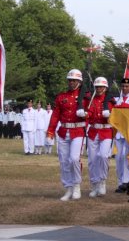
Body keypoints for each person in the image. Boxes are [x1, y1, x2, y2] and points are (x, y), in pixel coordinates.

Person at [46, 69, 87, 201]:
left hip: (78, 131)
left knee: (74, 159)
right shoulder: (61, 96)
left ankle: (76, 185)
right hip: (63, 131)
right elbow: (56, 115)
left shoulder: (86, 97)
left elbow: (91, 112)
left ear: (80, 82)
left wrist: (85, 114)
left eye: (74, 80)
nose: (72, 82)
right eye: (70, 80)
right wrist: (50, 131)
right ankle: (68, 187)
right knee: (64, 161)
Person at [86, 77, 115, 197]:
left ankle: (102, 181)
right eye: (97, 87)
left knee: (103, 156)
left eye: (101, 87)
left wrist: (110, 115)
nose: (99, 89)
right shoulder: (91, 99)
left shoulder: (111, 101)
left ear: (105, 88)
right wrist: (86, 114)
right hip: (93, 131)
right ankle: (94, 184)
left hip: (106, 131)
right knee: (92, 160)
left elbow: (116, 117)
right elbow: (89, 114)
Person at [114, 78, 129, 193]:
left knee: (127, 157)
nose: (124, 88)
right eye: (123, 86)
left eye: (127, 86)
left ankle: (127, 181)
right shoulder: (117, 99)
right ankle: (120, 182)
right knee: (118, 158)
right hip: (118, 132)